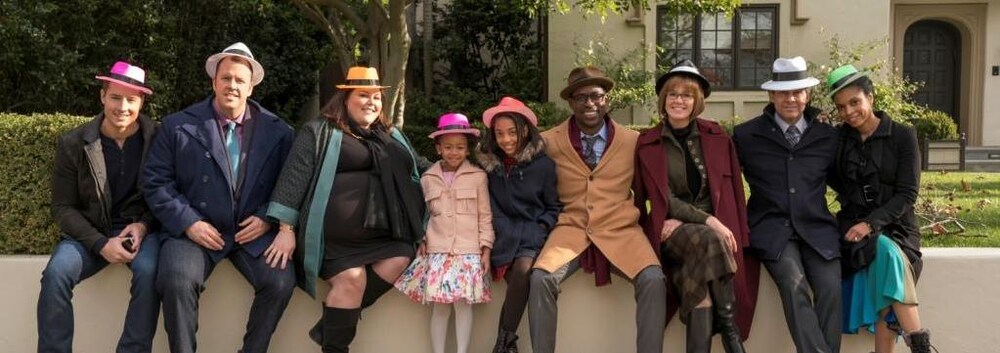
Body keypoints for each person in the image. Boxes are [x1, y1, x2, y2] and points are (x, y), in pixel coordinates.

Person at [143, 42, 296, 353]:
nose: (232, 86)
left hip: (251, 233)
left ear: (251, 87)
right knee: (175, 279)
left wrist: (268, 216)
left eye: (240, 80)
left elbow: (292, 184)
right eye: (226, 78)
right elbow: (155, 182)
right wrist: (188, 222)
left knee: (280, 281)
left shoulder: (279, 131)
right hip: (195, 231)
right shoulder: (176, 126)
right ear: (214, 81)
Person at [266, 66, 429, 353]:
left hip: (386, 235)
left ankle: (331, 324)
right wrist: (285, 229)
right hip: (335, 241)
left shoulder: (391, 135)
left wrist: (463, 172)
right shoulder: (319, 131)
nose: (371, 102)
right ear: (345, 98)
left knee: (402, 257)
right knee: (353, 281)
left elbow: (421, 168)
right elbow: (294, 177)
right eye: (363, 95)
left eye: (376, 97)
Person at [528, 66, 668, 353]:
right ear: (570, 102)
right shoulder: (549, 140)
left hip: (621, 230)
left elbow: (652, 186)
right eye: (581, 97)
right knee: (540, 279)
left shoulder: (633, 140)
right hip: (570, 229)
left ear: (607, 99)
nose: (589, 103)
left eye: (596, 96)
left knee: (654, 280)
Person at [634, 60, 759, 353]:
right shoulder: (647, 143)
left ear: (696, 101)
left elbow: (734, 195)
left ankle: (728, 330)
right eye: (673, 94)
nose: (679, 100)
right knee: (708, 236)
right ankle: (731, 332)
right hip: (670, 233)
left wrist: (723, 227)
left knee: (699, 294)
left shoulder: (717, 137)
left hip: (704, 244)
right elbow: (663, 197)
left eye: (687, 95)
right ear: (664, 100)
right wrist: (709, 221)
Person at [39, 61, 160, 353]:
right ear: (102, 96)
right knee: (56, 275)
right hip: (91, 233)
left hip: (139, 230)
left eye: (131, 99)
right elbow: (62, 207)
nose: (123, 106)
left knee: (151, 272)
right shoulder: (73, 143)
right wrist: (100, 243)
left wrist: (144, 225)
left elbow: (168, 193)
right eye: (116, 97)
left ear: (141, 102)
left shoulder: (158, 139)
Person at [731, 56, 842, 353]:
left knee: (831, 288)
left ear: (808, 95)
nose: (790, 98)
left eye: (797, 92)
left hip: (817, 229)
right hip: (771, 229)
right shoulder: (746, 136)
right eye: (783, 92)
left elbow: (847, 183)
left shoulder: (828, 136)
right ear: (771, 95)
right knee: (794, 285)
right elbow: (723, 181)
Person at [825, 64, 934, 353]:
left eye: (854, 102)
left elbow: (908, 194)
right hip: (852, 226)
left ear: (870, 97)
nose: (848, 112)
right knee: (883, 255)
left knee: (886, 253)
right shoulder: (837, 141)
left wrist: (871, 223)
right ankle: (919, 343)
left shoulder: (903, 135)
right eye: (841, 107)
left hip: (898, 226)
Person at [394, 112, 494, 353]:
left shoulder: (478, 177)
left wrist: (486, 248)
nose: (454, 152)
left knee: (463, 306)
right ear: (438, 148)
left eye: (460, 147)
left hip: (468, 252)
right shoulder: (428, 178)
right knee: (439, 307)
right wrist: (423, 240)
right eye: (448, 147)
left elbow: (485, 215)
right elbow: (424, 215)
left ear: (468, 149)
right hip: (438, 252)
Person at [476, 97, 561, 353]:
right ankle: (506, 344)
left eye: (512, 132)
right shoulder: (489, 166)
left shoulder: (544, 166)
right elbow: (488, 207)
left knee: (525, 270)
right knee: (521, 280)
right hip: (502, 235)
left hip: (532, 236)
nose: (506, 140)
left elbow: (554, 207)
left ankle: (503, 343)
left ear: (525, 130)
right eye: (500, 134)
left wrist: (542, 227)